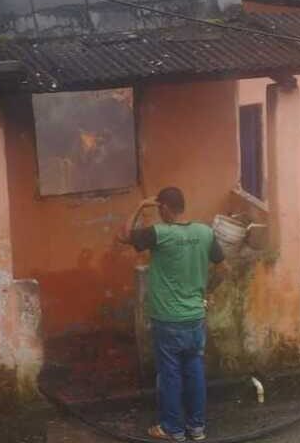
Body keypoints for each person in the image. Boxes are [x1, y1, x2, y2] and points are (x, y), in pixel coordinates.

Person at [118, 187, 225, 442]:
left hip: (168, 319)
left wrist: (140, 207)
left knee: (170, 374)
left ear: (164, 207)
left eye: (158, 208)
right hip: (195, 317)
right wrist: (208, 293)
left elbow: (123, 235)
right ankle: (196, 428)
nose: (158, 212)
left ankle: (173, 429)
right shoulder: (204, 232)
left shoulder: (159, 234)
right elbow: (224, 267)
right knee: (195, 370)